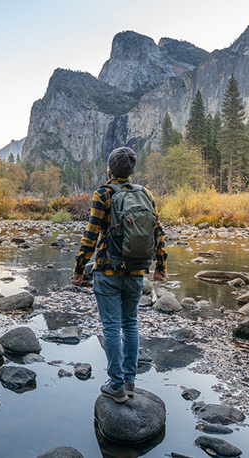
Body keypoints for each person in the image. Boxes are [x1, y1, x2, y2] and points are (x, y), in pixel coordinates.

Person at [71, 146, 167, 403]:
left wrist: (79, 269)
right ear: (131, 170)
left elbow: (90, 236)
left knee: (112, 327)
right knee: (131, 324)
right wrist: (161, 267)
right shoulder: (145, 193)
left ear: (109, 169)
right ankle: (130, 382)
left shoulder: (103, 194)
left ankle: (116, 385)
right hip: (137, 271)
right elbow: (157, 232)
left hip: (108, 270)